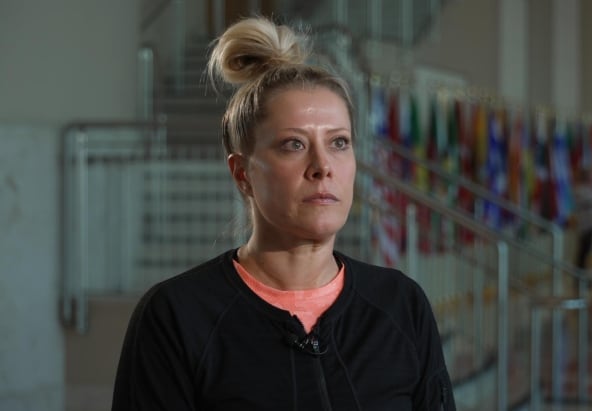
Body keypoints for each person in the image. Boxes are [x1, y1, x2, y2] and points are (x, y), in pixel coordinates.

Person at [112, 16, 455, 410]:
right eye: (294, 144)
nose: (322, 166)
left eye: (339, 143)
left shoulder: (401, 305)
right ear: (243, 174)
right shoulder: (177, 317)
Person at [573, 168, 592, 270]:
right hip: (584, 225)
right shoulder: (579, 189)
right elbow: (589, 202)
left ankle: (584, 272)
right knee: (582, 252)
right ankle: (579, 275)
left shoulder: (590, 189)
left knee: (587, 252)